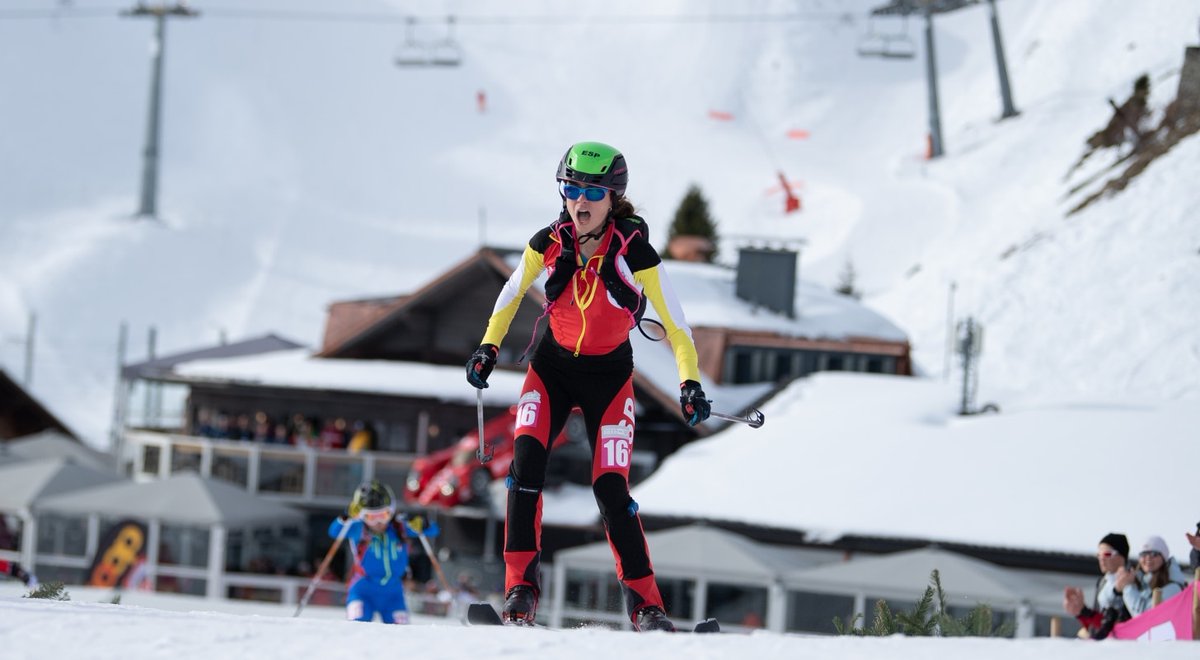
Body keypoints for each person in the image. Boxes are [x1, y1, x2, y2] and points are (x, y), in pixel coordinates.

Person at [465, 141, 712, 632]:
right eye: (571, 188)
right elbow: (512, 291)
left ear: (613, 196)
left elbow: (677, 327)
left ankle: (646, 606)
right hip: (552, 370)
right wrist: (487, 347)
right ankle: (520, 592)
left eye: (593, 191)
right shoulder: (549, 241)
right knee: (525, 467)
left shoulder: (634, 251)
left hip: (610, 377)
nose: (580, 200)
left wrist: (689, 383)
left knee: (611, 488)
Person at [328, 480, 438, 624]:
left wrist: (424, 524)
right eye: (371, 517)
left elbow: (434, 530)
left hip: (393, 594)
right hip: (363, 591)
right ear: (361, 516)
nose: (378, 522)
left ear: (391, 512)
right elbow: (334, 531)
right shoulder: (357, 528)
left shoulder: (400, 528)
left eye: (383, 515)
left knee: (401, 632)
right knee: (356, 626)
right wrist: (346, 516)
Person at [1062, 532, 1133, 639]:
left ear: (1121, 557)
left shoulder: (1132, 580)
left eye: (1107, 554)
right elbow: (1097, 624)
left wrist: (1086, 613)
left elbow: (1120, 624)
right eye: (1099, 555)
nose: (1101, 558)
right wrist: (1081, 611)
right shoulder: (1102, 582)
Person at [1115, 535, 1189, 616]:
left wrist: (1127, 587)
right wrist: (1118, 589)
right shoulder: (1141, 581)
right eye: (1143, 554)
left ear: (1163, 557)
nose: (1148, 558)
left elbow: (1144, 615)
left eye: (1154, 554)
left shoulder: (1174, 586)